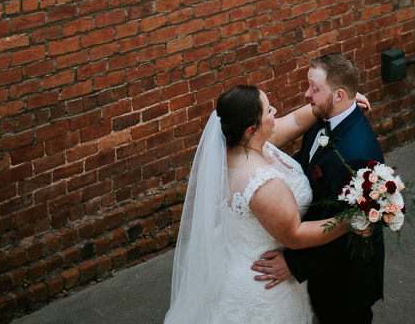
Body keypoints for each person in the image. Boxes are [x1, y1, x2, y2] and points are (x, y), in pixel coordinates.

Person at [163, 82, 356, 324]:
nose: (274, 111)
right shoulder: (263, 184)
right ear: (251, 128)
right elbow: (294, 235)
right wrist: (350, 220)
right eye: (268, 110)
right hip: (263, 286)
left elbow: (295, 121)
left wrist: (346, 99)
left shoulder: (240, 146)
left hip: (234, 260)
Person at [252, 53, 385, 324]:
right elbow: (307, 164)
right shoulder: (324, 118)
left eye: (314, 88)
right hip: (324, 274)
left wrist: (293, 264)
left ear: (338, 96)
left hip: (345, 280)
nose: (306, 94)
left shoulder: (356, 155)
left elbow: (350, 228)